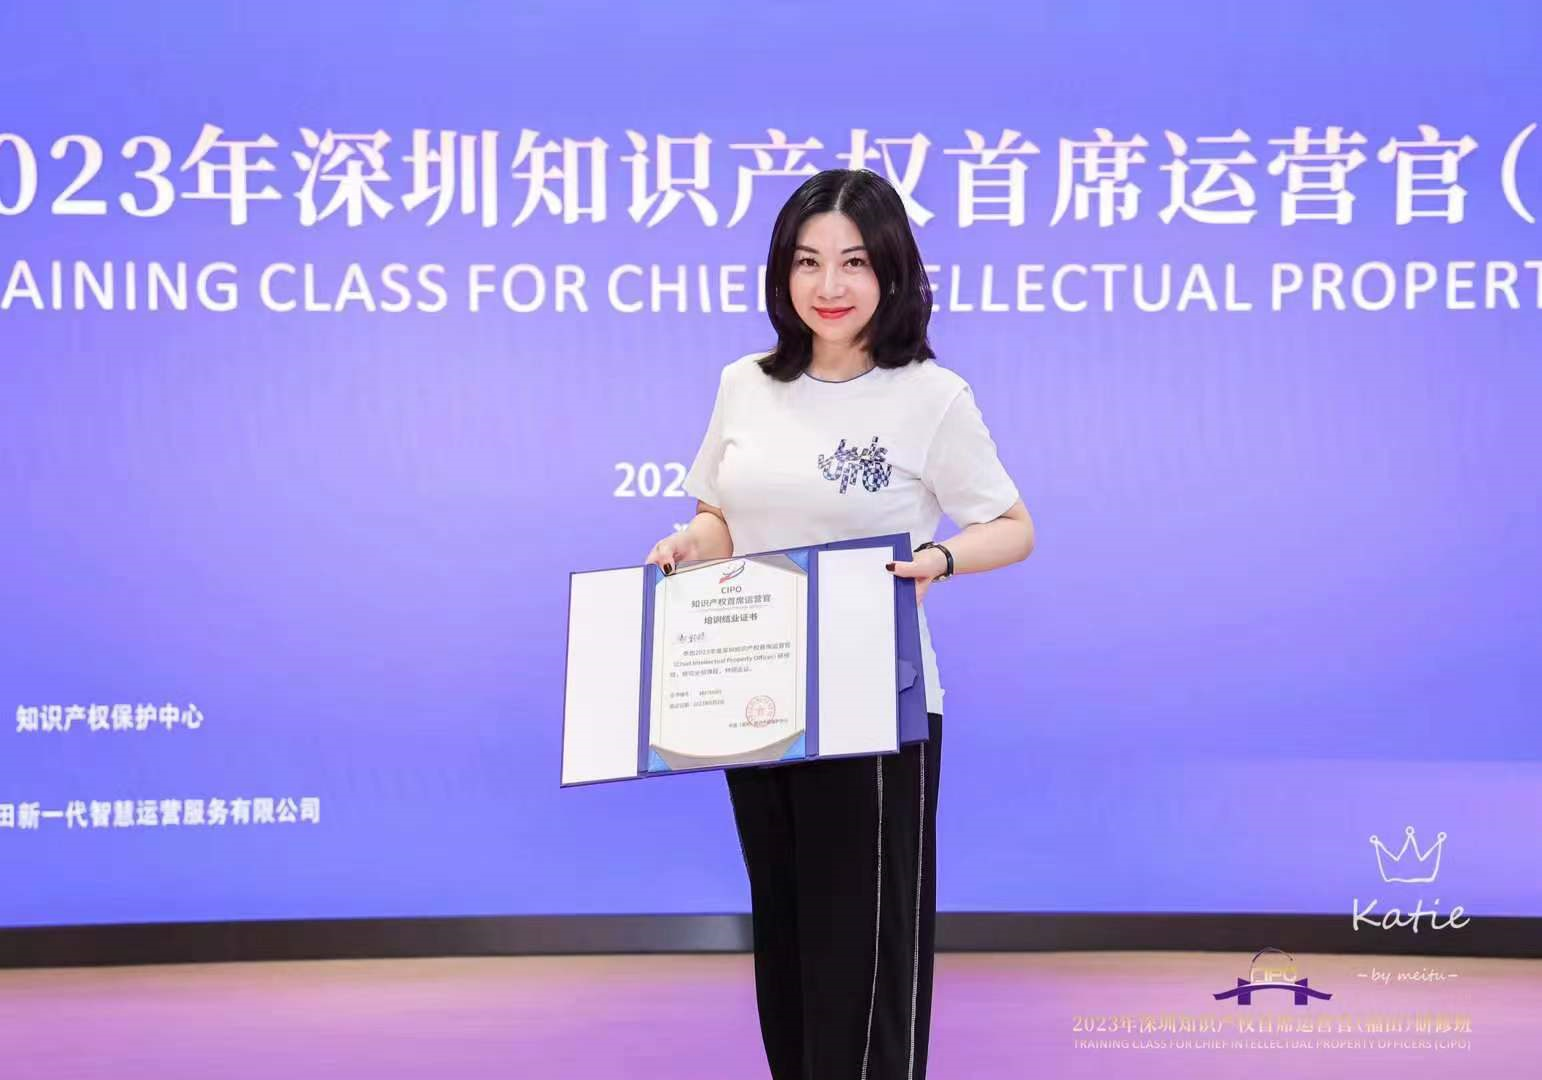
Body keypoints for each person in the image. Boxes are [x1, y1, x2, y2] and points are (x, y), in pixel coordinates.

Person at [644, 168, 1035, 1080]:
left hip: (874, 702)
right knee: (787, 941)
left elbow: (1013, 527)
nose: (829, 285)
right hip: (758, 698)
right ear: (781, 272)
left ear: (891, 270)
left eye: (854, 262)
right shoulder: (745, 383)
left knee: (864, 957)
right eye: (807, 261)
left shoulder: (930, 395)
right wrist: (693, 543)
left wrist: (939, 560)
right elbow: (722, 513)